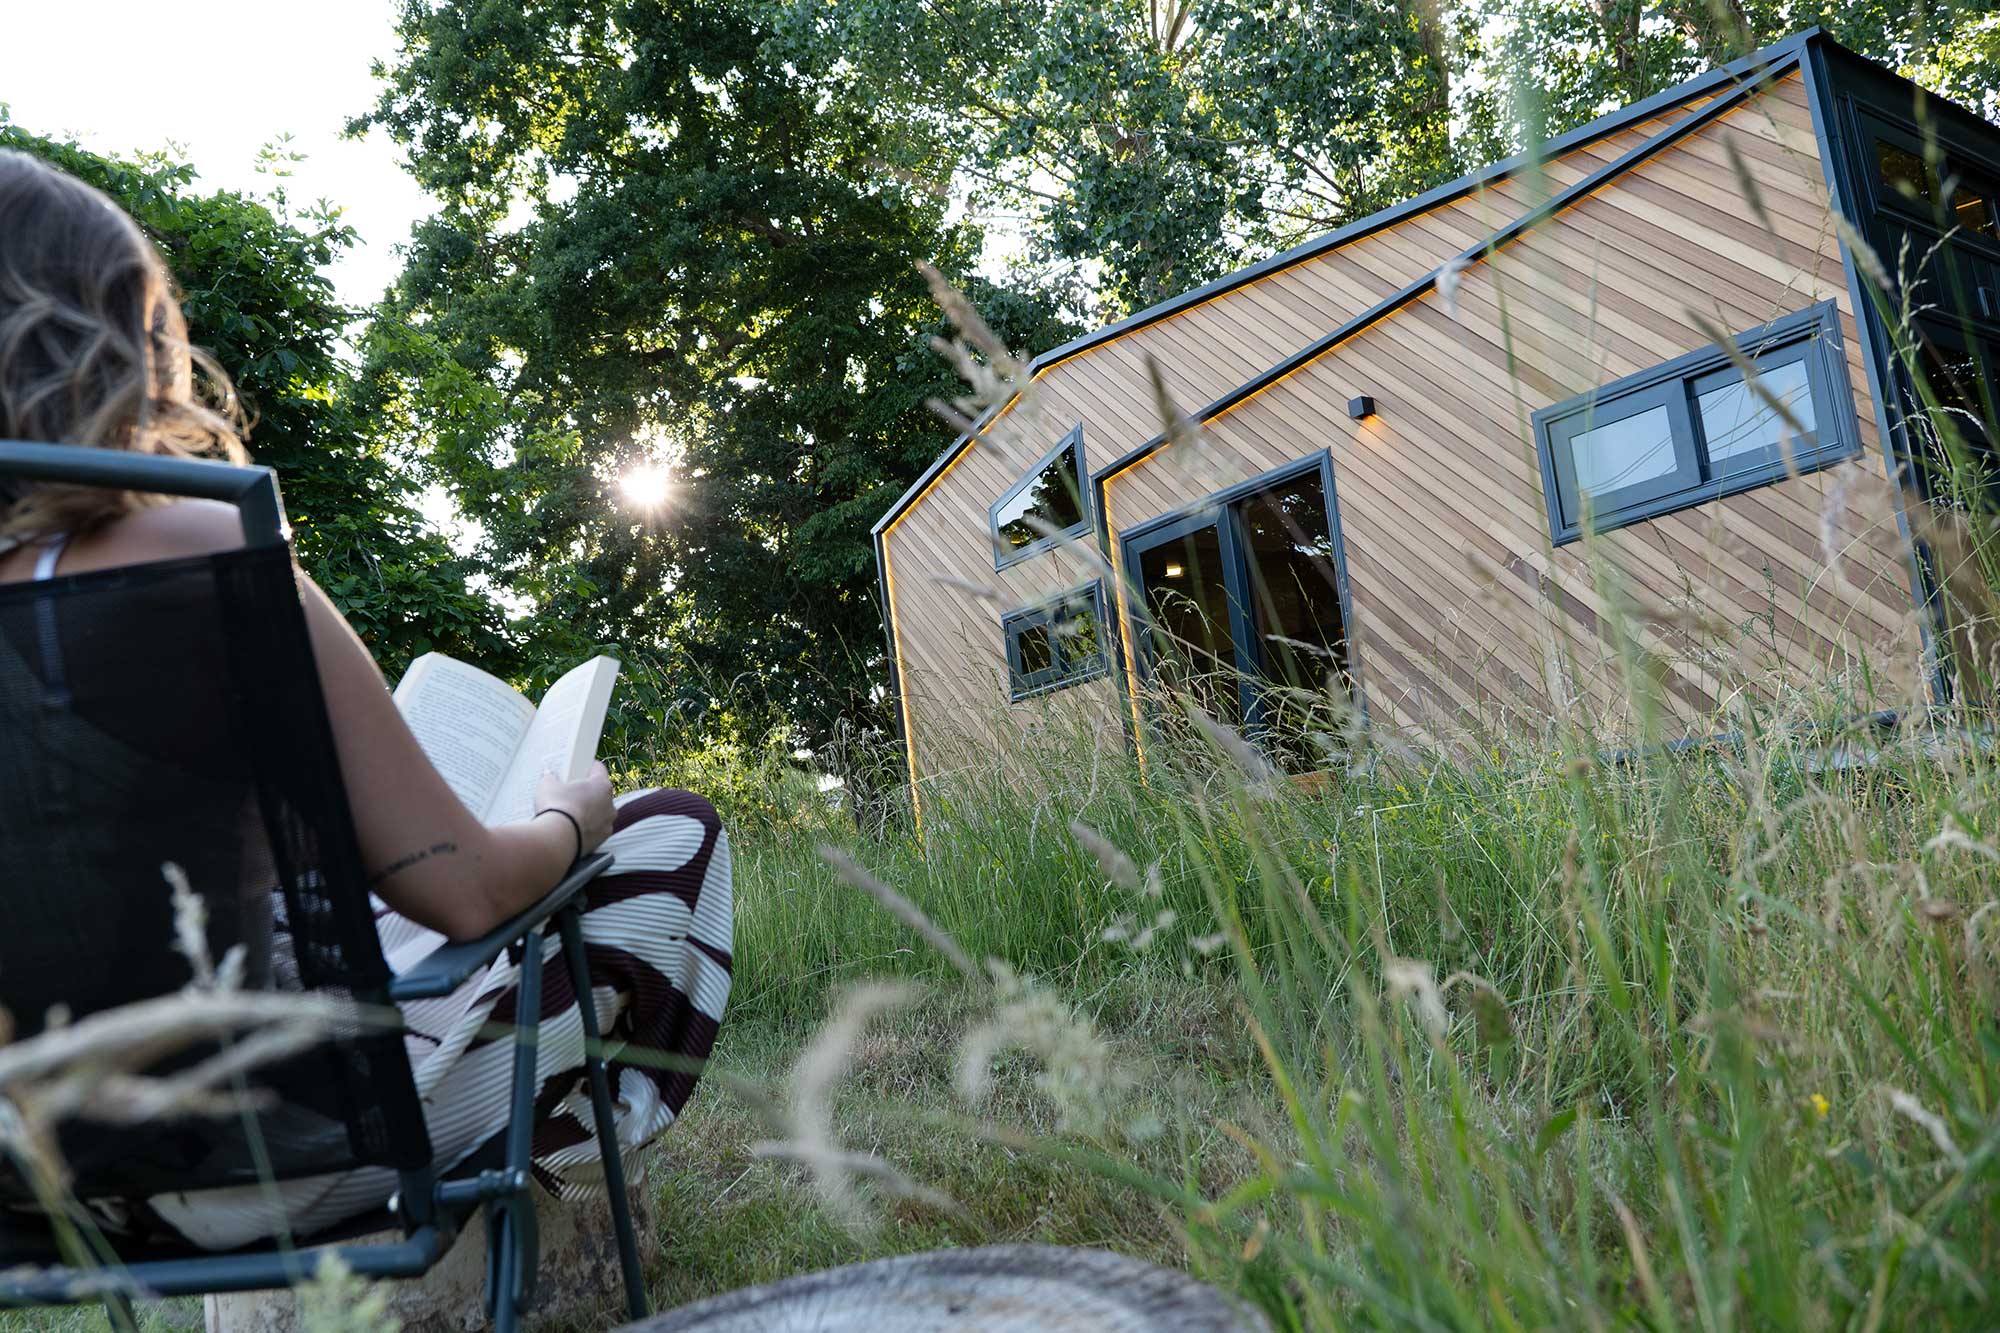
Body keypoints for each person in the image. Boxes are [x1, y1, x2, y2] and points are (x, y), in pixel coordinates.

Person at [0, 149, 732, 1249]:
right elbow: (473, 895)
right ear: (118, 342)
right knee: (670, 837)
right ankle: (514, 1210)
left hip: (30, 1193)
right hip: (262, 1164)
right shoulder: (198, 548)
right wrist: (566, 818)